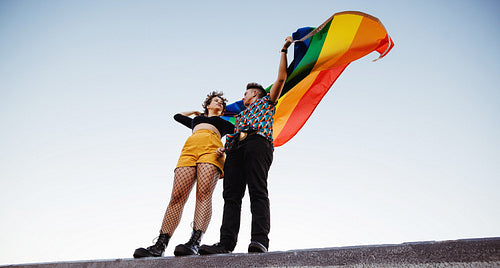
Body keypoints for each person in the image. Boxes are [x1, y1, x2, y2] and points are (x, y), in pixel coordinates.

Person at [198, 36, 293, 255]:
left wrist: (283, 50)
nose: (243, 96)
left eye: (246, 93)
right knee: (231, 196)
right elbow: (231, 133)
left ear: (255, 94)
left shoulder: (267, 102)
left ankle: (259, 241)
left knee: (257, 191)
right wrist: (225, 147)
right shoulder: (239, 116)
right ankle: (226, 243)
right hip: (235, 149)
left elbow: (281, 78)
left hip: (257, 143)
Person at [133, 91, 234, 258]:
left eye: (222, 103)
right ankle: (160, 245)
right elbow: (178, 116)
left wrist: (226, 147)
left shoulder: (224, 122)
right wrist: (195, 112)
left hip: (211, 150)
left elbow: (240, 131)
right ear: (208, 105)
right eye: (216, 101)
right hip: (189, 150)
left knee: (203, 194)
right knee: (176, 197)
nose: (220, 104)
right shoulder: (196, 120)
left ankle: (194, 242)